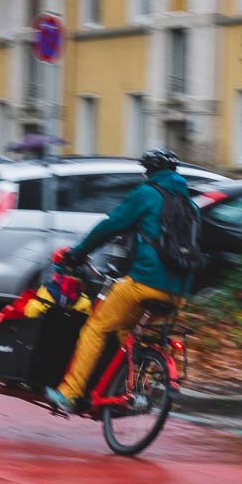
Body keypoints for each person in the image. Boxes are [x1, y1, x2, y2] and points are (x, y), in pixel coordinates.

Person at [44, 148, 198, 412]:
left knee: (97, 327)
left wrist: (77, 254)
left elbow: (111, 225)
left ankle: (68, 394)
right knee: (126, 331)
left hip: (143, 283)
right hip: (179, 294)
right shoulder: (191, 205)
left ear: (149, 172)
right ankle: (126, 385)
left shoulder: (146, 195)